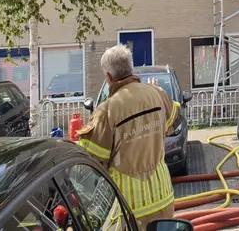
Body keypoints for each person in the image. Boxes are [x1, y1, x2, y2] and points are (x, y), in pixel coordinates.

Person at [77, 44, 181, 230]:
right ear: (131, 68)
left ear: (108, 77)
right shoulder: (158, 94)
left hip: (130, 207)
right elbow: (172, 125)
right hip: (163, 196)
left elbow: (90, 161)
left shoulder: (106, 111)